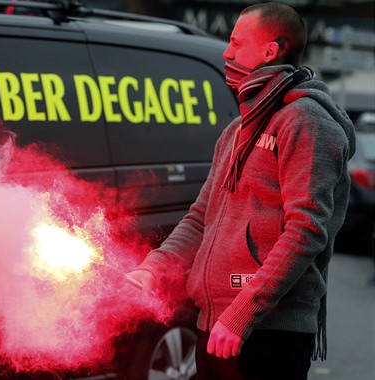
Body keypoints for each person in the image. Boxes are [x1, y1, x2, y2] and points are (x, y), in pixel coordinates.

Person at [126, 2, 356, 379]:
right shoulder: (236, 131)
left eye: (236, 42)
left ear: (270, 50)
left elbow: (306, 230)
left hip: (267, 334)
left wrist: (241, 314)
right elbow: (200, 218)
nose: (226, 52)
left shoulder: (307, 122)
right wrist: (155, 267)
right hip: (214, 325)